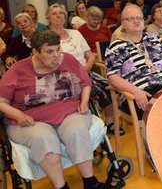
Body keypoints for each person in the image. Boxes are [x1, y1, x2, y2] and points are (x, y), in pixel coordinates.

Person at [0, 29, 108, 189]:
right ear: (35, 52)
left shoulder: (68, 60)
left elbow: (86, 82)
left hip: (69, 113)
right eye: (49, 52)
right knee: (43, 139)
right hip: (30, 121)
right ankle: (61, 187)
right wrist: (17, 114)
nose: (56, 55)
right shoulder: (18, 70)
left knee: (76, 131)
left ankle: (90, 182)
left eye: (58, 49)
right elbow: (1, 101)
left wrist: (84, 101)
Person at [46, 4, 120, 135]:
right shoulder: (46, 38)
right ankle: (85, 125)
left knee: (106, 86)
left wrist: (86, 68)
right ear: (48, 18)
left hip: (85, 72)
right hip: (63, 78)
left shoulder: (75, 33)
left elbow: (90, 56)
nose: (58, 16)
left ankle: (109, 121)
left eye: (61, 13)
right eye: (54, 13)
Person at [105, 4, 162, 120]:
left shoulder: (156, 39)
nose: (136, 21)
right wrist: (136, 92)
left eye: (139, 18)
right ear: (123, 24)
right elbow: (113, 78)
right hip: (141, 93)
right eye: (131, 19)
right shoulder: (116, 47)